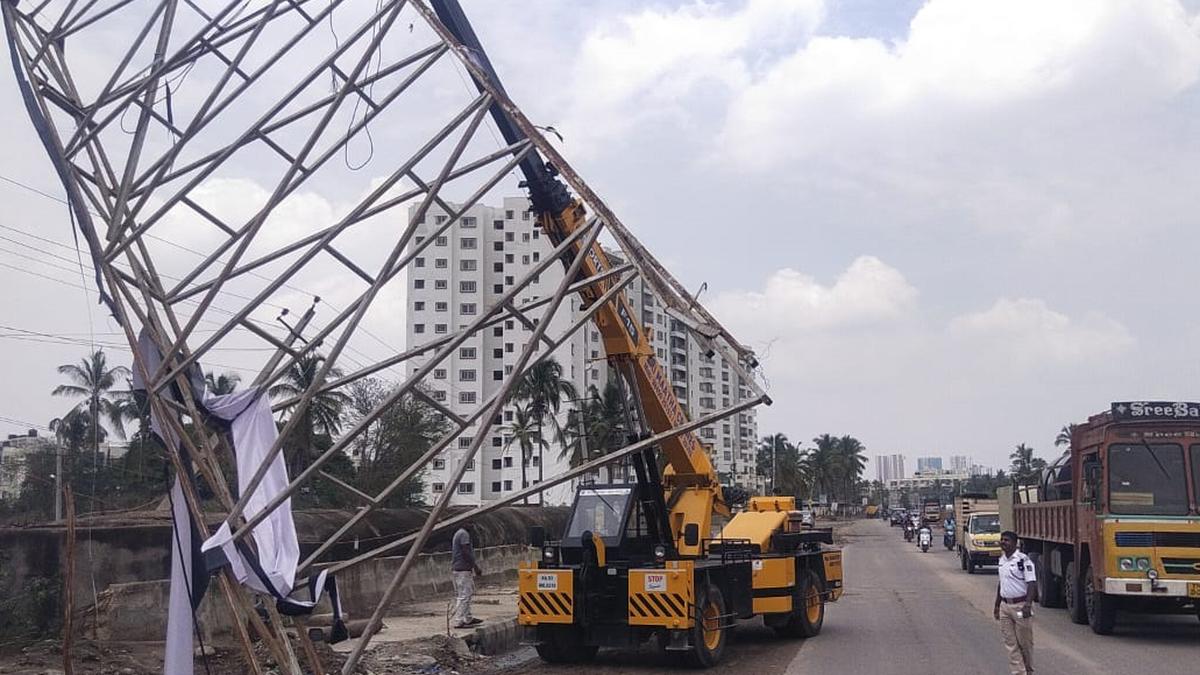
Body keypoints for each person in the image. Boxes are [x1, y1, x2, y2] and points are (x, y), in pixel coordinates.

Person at [994, 530, 1037, 675]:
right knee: (1010, 643)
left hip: (1021, 606)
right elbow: (1001, 583)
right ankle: (1019, 672)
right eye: (1002, 540)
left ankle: (1029, 670)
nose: (1003, 542)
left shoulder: (1023, 560)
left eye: (1006, 540)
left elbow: (1031, 583)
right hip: (1005, 607)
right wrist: (997, 605)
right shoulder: (1002, 560)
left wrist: (1028, 604)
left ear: (1015, 543)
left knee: (1024, 644)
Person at [451, 526, 484, 629]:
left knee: (466, 594)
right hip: (463, 568)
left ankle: (468, 618)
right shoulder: (464, 534)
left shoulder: (459, 533)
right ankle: (459, 620)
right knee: (464, 595)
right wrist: (475, 566)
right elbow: (466, 552)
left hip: (461, 568)